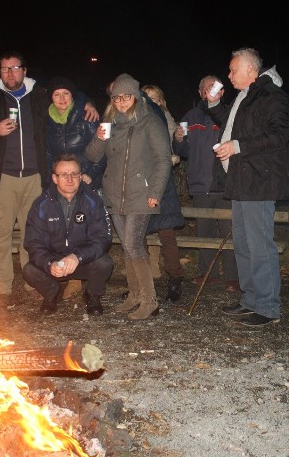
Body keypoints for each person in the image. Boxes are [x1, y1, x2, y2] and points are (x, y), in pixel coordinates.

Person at [0, 52, 97, 300]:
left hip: (34, 177)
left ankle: (33, 282)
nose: (10, 73)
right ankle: (2, 286)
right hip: (2, 176)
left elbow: (69, 93)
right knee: (2, 233)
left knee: (34, 235)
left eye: (15, 68)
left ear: (24, 71)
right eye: (5, 69)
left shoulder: (38, 94)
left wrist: (88, 101)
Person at [209, 48, 289, 327]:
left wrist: (238, 146)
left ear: (250, 70)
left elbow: (279, 136)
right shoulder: (246, 98)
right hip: (242, 181)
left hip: (260, 181)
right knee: (244, 245)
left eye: (233, 70)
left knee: (260, 246)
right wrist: (214, 105)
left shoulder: (273, 97)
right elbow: (234, 129)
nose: (229, 75)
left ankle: (269, 307)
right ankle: (251, 300)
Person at [85, 73, 172, 320]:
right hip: (114, 194)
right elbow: (92, 156)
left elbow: (163, 160)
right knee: (127, 246)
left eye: (125, 97)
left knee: (134, 245)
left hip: (141, 194)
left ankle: (149, 301)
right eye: (116, 98)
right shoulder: (110, 122)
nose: (121, 102)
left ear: (135, 97)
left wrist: (156, 192)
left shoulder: (150, 122)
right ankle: (134, 295)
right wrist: (99, 137)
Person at [22, 154, 113, 316]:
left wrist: (77, 256)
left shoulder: (93, 201)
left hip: (82, 261)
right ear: (55, 178)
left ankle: (92, 294)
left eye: (74, 174)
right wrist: (50, 263)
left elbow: (102, 238)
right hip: (55, 262)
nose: (69, 179)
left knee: (104, 263)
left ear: (80, 176)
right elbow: (33, 242)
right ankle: (52, 293)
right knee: (29, 270)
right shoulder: (41, 204)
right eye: (63, 174)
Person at [173, 75, 239, 292]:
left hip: (227, 184)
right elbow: (182, 153)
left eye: (215, 87)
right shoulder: (192, 116)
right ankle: (208, 274)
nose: (210, 90)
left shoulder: (231, 114)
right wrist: (179, 138)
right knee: (204, 233)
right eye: (206, 88)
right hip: (201, 184)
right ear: (201, 92)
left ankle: (232, 276)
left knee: (229, 232)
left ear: (222, 92)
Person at [44, 76, 105, 302]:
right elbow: (49, 153)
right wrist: (51, 181)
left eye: (66, 94)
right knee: (64, 230)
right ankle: (71, 278)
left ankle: (90, 284)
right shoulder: (47, 119)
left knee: (87, 230)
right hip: (61, 183)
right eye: (57, 94)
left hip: (86, 181)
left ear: (73, 97)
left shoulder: (87, 116)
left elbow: (102, 149)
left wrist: (89, 174)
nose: (61, 98)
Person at [141, 84, 186, 302]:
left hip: (162, 181)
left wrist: (171, 156)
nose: (150, 102)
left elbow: (167, 150)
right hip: (140, 182)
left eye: (154, 98)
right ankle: (141, 282)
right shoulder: (137, 119)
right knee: (137, 233)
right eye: (146, 98)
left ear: (161, 102)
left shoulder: (165, 119)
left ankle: (175, 279)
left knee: (167, 234)